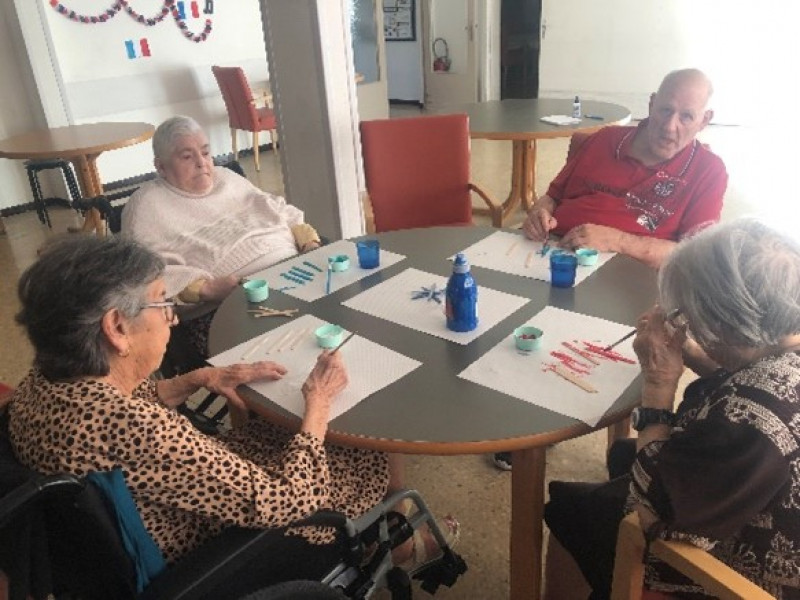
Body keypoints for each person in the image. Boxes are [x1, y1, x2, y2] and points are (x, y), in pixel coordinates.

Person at [6, 236, 457, 591]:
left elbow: (116, 428)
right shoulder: (134, 428)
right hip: (216, 549)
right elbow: (290, 501)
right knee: (361, 451)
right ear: (116, 328)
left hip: (144, 520)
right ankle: (385, 546)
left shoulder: (43, 384)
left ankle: (385, 539)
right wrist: (318, 404)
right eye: (163, 304)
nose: (173, 319)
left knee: (273, 430)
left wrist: (187, 381)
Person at [543, 218, 800, 599]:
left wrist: (659, 385)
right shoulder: (781, 349)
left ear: (726, 327)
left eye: (689, 317)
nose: (685, 323)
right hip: (749, 489)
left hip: (749, 566)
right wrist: (701, 356)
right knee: (621, 456)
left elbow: (654, 515)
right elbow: (753, 378)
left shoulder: (750, 417)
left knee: (571, 509)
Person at [496, 68, 728, 471]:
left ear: (704, 120)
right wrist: (539, 212)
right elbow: (552, 195)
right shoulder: (603, 140)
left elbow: (693, 258)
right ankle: (526, 419)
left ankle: (565, 423)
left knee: (581, 341)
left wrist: (618, 240)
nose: (671, 126)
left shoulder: (708, 171)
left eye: (686, 117)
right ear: (651, 104)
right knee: (506, 315)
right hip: (556, 257)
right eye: (665, 110)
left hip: (632, 281)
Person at [121, 115, 321, 355]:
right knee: (303, 345)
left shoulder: (226, 177)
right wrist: (207, 289)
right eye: (187, 156)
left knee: (343, 313)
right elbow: (145, 279)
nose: (202, 163)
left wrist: (309, 241)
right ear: (161, 166)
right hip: (225, 308)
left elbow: (278, 209)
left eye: (205, 153)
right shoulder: (146, 206)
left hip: (296, 272)